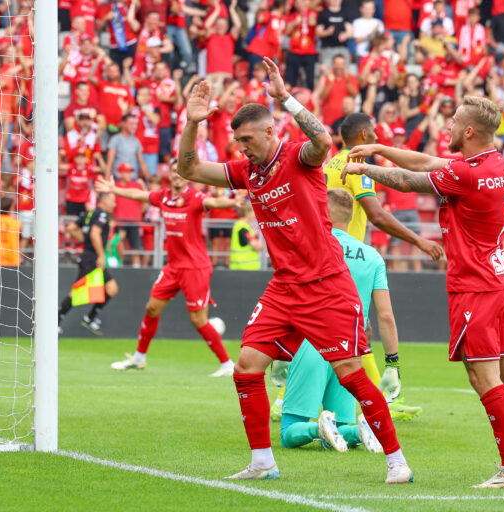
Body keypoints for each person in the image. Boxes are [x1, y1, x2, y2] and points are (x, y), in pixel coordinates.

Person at [176, 57, 413, 484]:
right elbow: (189, 168)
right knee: (246, 365)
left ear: (270, 130)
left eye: (247, 138)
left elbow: (322, 142)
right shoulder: (248, 172)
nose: (242, 147)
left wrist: (285, 98)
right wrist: (192, 122)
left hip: (326, 285)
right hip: (284, 288)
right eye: (237, 141)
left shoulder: (297, 157)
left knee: (351, 374)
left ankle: (396, 461)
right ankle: (263, 461)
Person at [341, 94, 504, 489]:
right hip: (500, 277)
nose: (448, 128)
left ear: (469, 131)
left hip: (475, 285)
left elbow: (413, 180)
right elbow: (427, 162)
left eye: (454, 122)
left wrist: (364, 170)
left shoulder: (466, 175)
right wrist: (379, 149)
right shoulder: (494, 163)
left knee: (483, 375)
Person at [321, 111, 443, 418]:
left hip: (328, 249)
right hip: (346, 253)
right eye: (373, 132)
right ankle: (383, 401)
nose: (377, 136)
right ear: (363, 136)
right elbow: (376, 215)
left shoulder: (331, 164)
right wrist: (420, 241)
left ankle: (382, 400)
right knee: (351, 328)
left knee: (355, 327)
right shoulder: (358, 166)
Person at [280, 189, 396, 454]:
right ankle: (360, 430)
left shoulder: (309, 246)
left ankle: (316, 428)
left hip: (312, 343)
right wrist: (393, 362)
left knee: (289, 432)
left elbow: (289, 300)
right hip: (350, 349)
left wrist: (280, 351)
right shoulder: (372, 256)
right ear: (352, 215)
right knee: (342, 426)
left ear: (322, 211)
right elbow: (386, 316)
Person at [96, 165, 239, 376]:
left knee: (198, 320)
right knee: (152, 308)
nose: (177, 175)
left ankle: (227, 364)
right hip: (173, 266)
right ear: (170, 175)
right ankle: (139, 358)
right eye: (174, 171)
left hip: (195, 267)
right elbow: (138, 194)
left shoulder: (195, 196)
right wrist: (114, 189)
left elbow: (213, 201)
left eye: (182, 172)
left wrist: (232, 201)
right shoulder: (163, 197)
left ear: (187, 177)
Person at [58, 192, 120, 335]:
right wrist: (101, 255)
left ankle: (90, 318)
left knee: (112, 288)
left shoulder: (88, 214)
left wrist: (84, 241)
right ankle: (56, 321)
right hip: (93, 258)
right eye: (113, 201)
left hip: (89, 255)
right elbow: (94, 234)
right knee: (76, 292)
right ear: (103, 201)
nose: (114, 204)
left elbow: (71, 228)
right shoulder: (103, 216)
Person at [229, 200, 263, 270]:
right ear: (247, 213)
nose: (255, 214)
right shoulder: (243, 228)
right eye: (253, 211)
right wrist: (260, 244)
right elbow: (256, 246)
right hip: (244, 268)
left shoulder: (240, 226)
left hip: (241, 268)